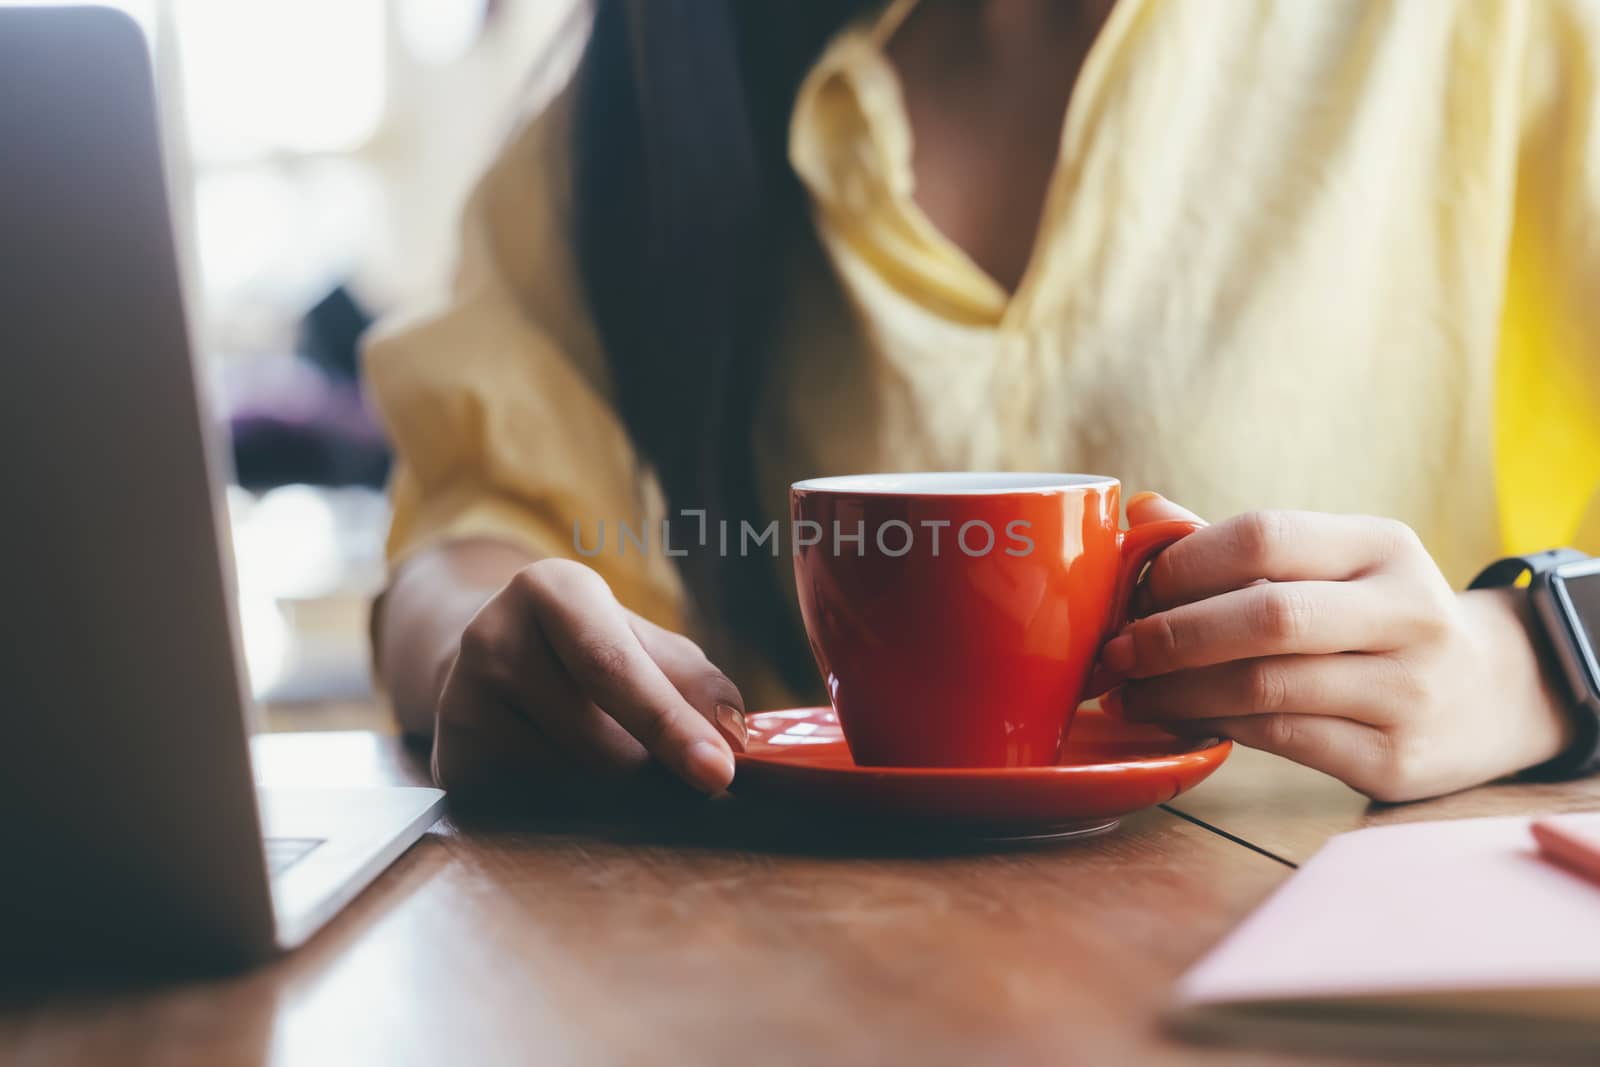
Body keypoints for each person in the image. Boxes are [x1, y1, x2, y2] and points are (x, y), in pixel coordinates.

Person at [365, 0, 1600, 805]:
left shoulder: (1501, 34)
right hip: (795, 992)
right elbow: (470, 518)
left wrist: (1535, 659)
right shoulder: (646, 84)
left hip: (1368, 984)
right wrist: (482, 642)